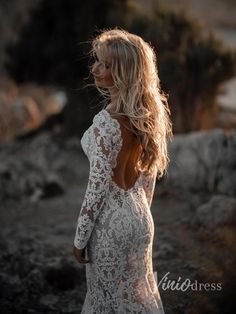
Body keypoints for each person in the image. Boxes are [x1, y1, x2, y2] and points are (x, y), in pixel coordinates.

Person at [73, 28, 173, 314]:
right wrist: (140, 217)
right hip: (141, 216)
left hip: (110, 222)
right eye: (97, 61)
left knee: (105, 301)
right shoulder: (143, 116)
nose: (94, 68)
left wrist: (80, 238)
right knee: (138, 295)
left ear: (123, 73)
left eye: (104, 64)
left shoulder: (106, 122)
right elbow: (148, 176)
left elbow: (97, 186)